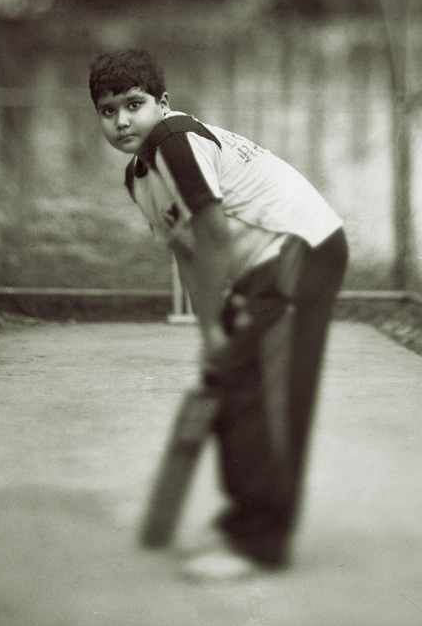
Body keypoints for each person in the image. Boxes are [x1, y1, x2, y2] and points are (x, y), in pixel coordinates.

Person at [89, 48, 348, 581]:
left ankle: (262, 542)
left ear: (162, 103)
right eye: (108, 111)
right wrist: (210, 333)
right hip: (260, 268)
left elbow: (212, 230)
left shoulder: (174, 138)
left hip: (298, 247)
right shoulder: (140, 178)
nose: (121, 121)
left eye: (133, 104)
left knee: (269, 392)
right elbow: (186, 250)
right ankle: (243, 520)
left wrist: (214, 328)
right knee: (232, 380)